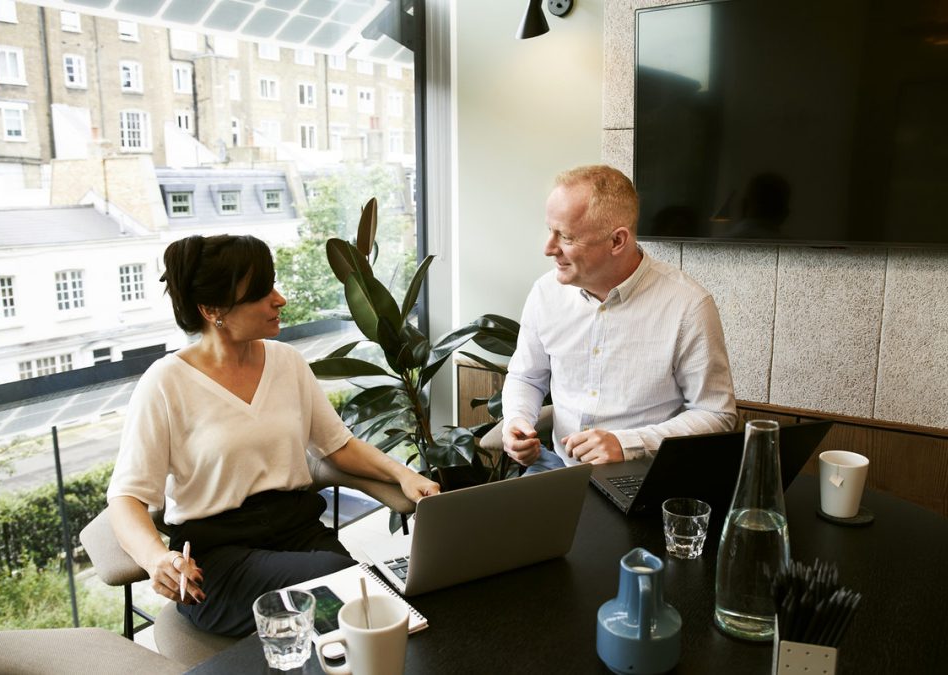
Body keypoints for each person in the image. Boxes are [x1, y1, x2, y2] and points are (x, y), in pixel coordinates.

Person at [106, 234, 438, 637]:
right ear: (213, 310)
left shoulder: (287, 363)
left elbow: (338, 446)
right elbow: (126, 498)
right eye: (262, 293)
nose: (279, 299)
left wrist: (404, 475)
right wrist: (155, 557)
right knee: (351, 596)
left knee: (376, 613)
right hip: (221, 562)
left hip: (301, 535)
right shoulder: (165, 382)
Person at [501, 165, 736, 472]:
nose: (548, 249)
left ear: (617, 241)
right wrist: (517, 420)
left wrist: (628, 444)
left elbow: (716, 414)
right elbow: (526, 376)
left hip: (644, 473)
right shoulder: (545, 293)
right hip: (556, 467)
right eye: (550, 230)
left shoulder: (688, 305)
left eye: (566, 237)